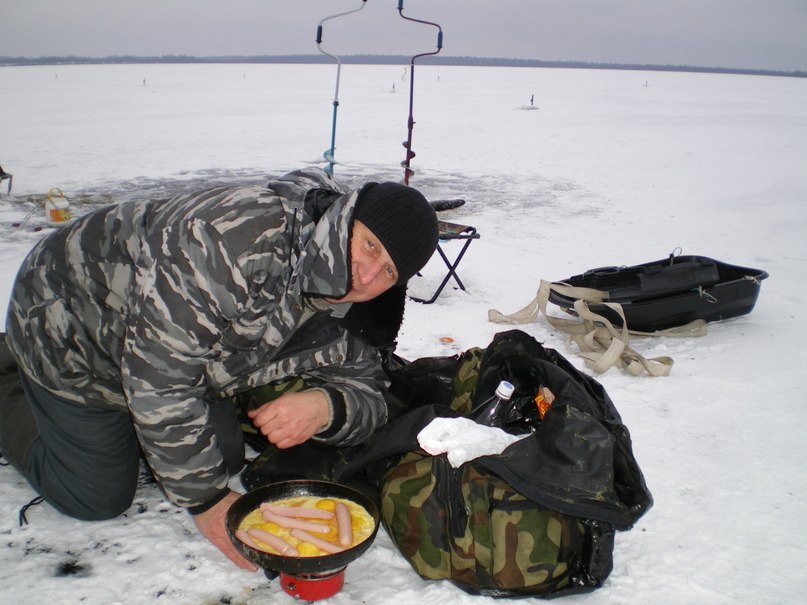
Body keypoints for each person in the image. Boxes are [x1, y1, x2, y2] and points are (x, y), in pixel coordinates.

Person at [0, 167, 438, 570]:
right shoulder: (237, 238)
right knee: (96, 496)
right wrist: (208, 502)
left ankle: (136, 431)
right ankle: (8, 378)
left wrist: (329, 406)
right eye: (369, 246)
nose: (366, 276)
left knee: (222, 459)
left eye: (388, 272)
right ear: (346, 217)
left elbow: (372, 393)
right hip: (72, 330)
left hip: (183, 363)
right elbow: (159, 376)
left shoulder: (358, 308)